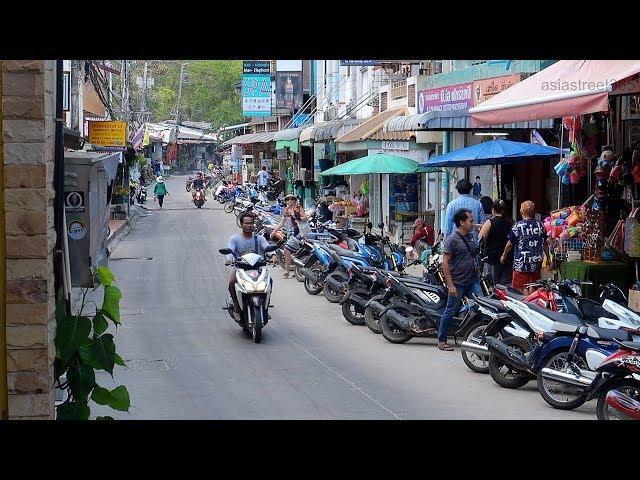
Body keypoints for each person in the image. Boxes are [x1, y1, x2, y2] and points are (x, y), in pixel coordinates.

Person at [439, 209, 483, 351]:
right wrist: (450, 285)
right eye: (470, 220)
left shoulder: (471, 236)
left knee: (482, 307)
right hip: (458, 283)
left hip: (472, 280)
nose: (473, 222)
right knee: (451, 310)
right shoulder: (452, 239)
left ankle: (476, 336)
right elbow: (445, 262)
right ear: (462, 222)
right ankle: (442, 339)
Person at [226, 212, 272, 316]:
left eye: (251, 223)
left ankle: (265, 307)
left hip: (257, 269)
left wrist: (273, 256)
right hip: (240, 269)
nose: (249, 225)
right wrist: (229, 259)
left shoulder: (259, 238)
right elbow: (230, 251)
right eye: (246, 223)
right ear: (241, 224)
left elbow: (267, 247)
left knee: (269, 282)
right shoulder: (235, 239)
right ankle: (236, 305)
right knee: (232, 282)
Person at [500, 200, 550, 295]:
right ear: (533, 212)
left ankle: (526, 305)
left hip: (521, 262)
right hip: (536, 261)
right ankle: (533, 303)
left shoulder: (517, 226)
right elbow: (544, 244)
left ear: (521, 211)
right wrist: (548, 258)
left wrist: (504, 255)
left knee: (521, 287)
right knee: (533, 284)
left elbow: (510, 244)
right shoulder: (540, 225)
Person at [270, 194, 307, 278]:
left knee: (287, 249)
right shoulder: (286, 210)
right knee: (290, 250)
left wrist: (295, 215)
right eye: (288, 199)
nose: (290, 201)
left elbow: (305, 218)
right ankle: (294, 268)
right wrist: (274, 231)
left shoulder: (297, 208)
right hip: (290, 232)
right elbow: (281, 222)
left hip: (299, 232)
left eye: (292, 199)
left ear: (295, 200)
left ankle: (287, 271)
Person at [479, 199, 512, 286]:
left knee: (491, 284)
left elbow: (481, 239)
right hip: (507, 258)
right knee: (505, 285)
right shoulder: (511, 223)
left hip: (492, 258)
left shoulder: (490, 222)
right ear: (503, 210)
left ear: (493, 210)